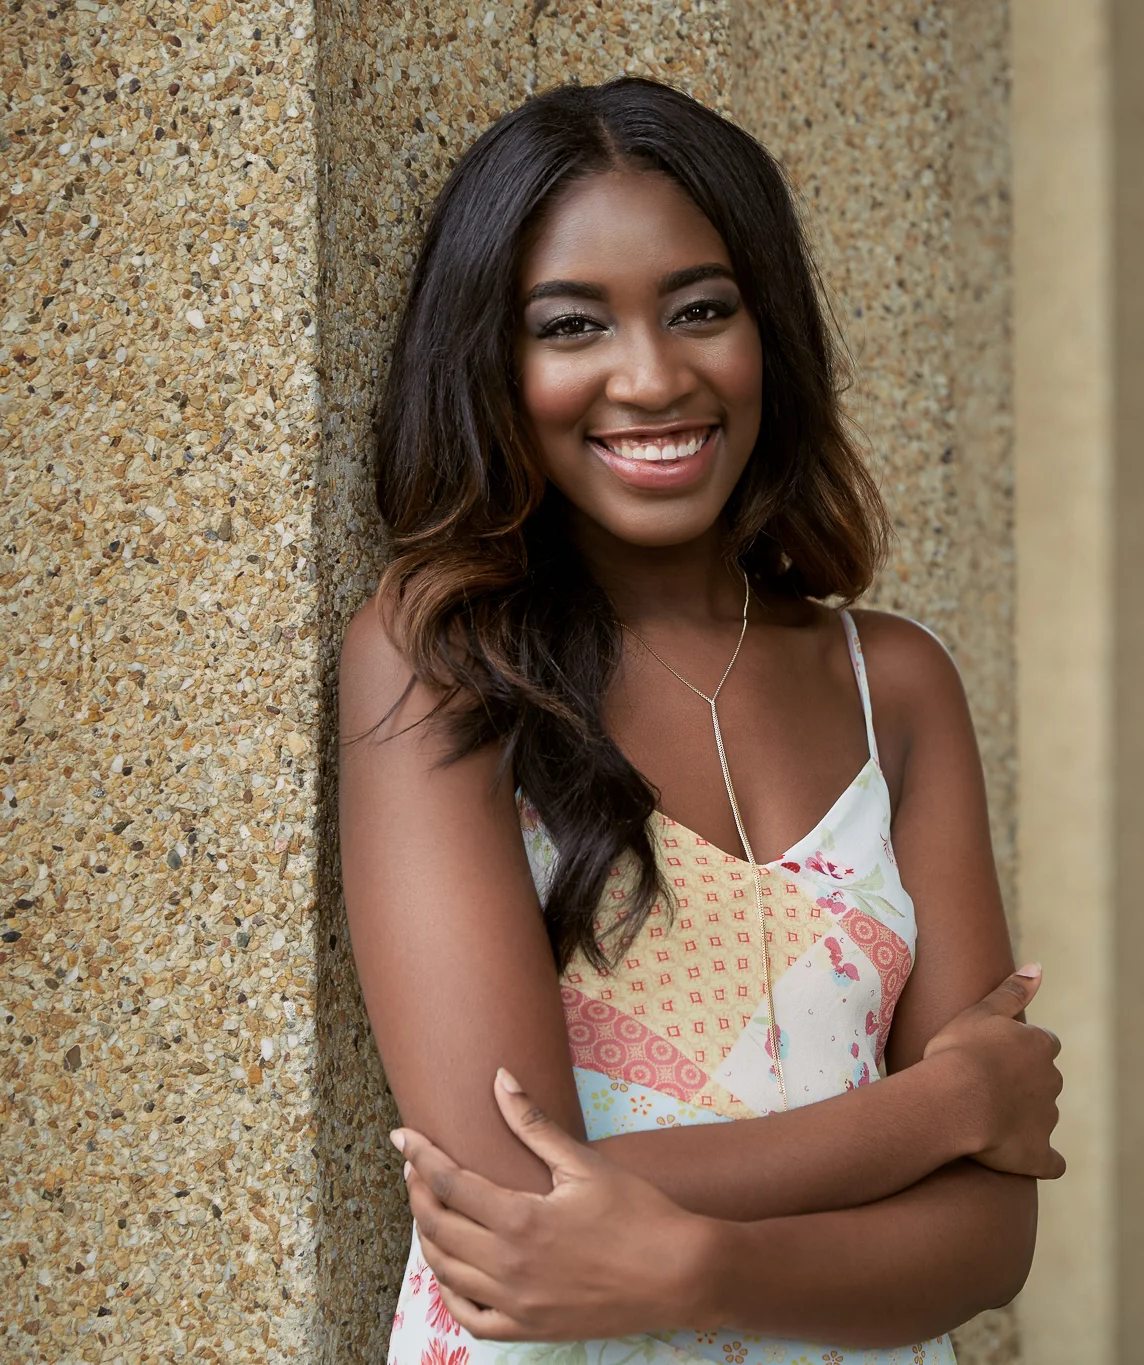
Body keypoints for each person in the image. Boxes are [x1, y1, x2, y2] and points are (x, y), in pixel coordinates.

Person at [336, 78, 1065, 1365]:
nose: (652, 376)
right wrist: (946, 1105)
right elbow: (507, 1204)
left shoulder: (892, 684)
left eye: (701, 310)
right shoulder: (440, 661)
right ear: (490, 362)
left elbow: (989, 1238)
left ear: (766, 330)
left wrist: (699, 1266)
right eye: (571, 326)